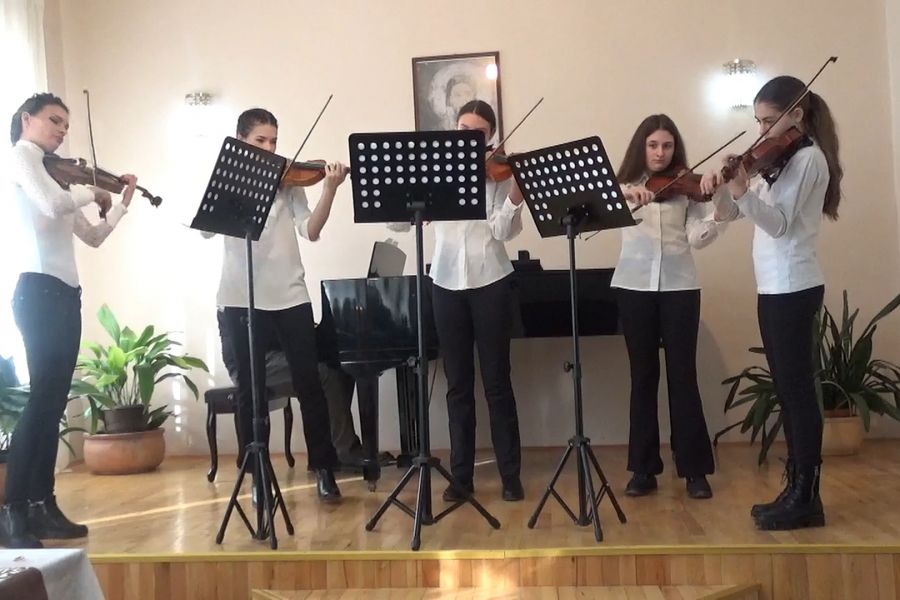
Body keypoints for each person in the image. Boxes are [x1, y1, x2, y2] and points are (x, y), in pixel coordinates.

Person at [701, 76, 843, 530]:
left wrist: (743, 190)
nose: (761, 131)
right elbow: (731, 213)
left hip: (795, 286)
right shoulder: (776, 162)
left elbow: (778, 225)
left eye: (768, 121)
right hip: (773, 288)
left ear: (797, 115)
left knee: (798, 393)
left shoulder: (808, 159)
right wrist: (723, 187)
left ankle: (807, 497)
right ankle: (796, 488)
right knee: (788, 391)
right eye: (758, 121)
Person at [2, 93, 138, 548]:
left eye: (65, 125)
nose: (62, 130)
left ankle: (42, 504)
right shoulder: (23, 157)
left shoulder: (55, 175)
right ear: (27, 120)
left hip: (64, 294)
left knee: (54, 402)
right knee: (43, 400)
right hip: (37, 291)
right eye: (54, 121)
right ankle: (12, 511)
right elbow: (51, 205)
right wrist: (94, 190)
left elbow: (92, 236)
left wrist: (120, 205)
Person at [207, 108, 349, 503]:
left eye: (273, 141)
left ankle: (324, 468)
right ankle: (257, 475)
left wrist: (330, 189)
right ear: (240, 141)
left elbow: (311, 230)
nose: (270, 148)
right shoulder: (228, 178)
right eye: (260, 141)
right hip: (240, 298)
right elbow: (205, 230)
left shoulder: (289, 183)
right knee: (250, 391)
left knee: (310, 383)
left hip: (290, 296)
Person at [390, 99, 525, 502]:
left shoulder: (496, 175)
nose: (469, 137)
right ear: (454, 129)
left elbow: (502, 231)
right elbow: (396, 222)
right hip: (446, 282)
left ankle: (510, 476)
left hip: (492, 281)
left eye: (478, 133)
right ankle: (461, 477)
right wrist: (410, 195)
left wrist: (516, 192)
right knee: (457, 385)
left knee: (498, 382)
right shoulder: (435, 171)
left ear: (490, 138)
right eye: (463, 129)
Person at [614, 114, 725, 500]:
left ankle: (694, 469)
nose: (660, 153)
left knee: (683, 375)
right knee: (642, 376)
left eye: (666, 145)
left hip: (680, 287)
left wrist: (717, 209)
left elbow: (697, 237)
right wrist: (627, 196)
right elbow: (595, 210)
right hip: (633, 286)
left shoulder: (685, 187)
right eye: (653, 145)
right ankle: (643, 469)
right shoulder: (621, 187)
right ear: (641, 147)